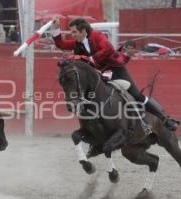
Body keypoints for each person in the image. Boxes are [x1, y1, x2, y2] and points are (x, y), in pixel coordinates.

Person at [52, 17, 179, 155]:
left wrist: (90, 59)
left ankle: (165, 119)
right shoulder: (78, 42)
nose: (72, 35)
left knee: (136, 95)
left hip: (116, 70)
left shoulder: (97, 35)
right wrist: (55, 28)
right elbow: (61, 44)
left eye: (74, 32)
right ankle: (97, 135)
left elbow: (107, 49)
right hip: (100, 72)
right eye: (72, 32)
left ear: (83, 30)